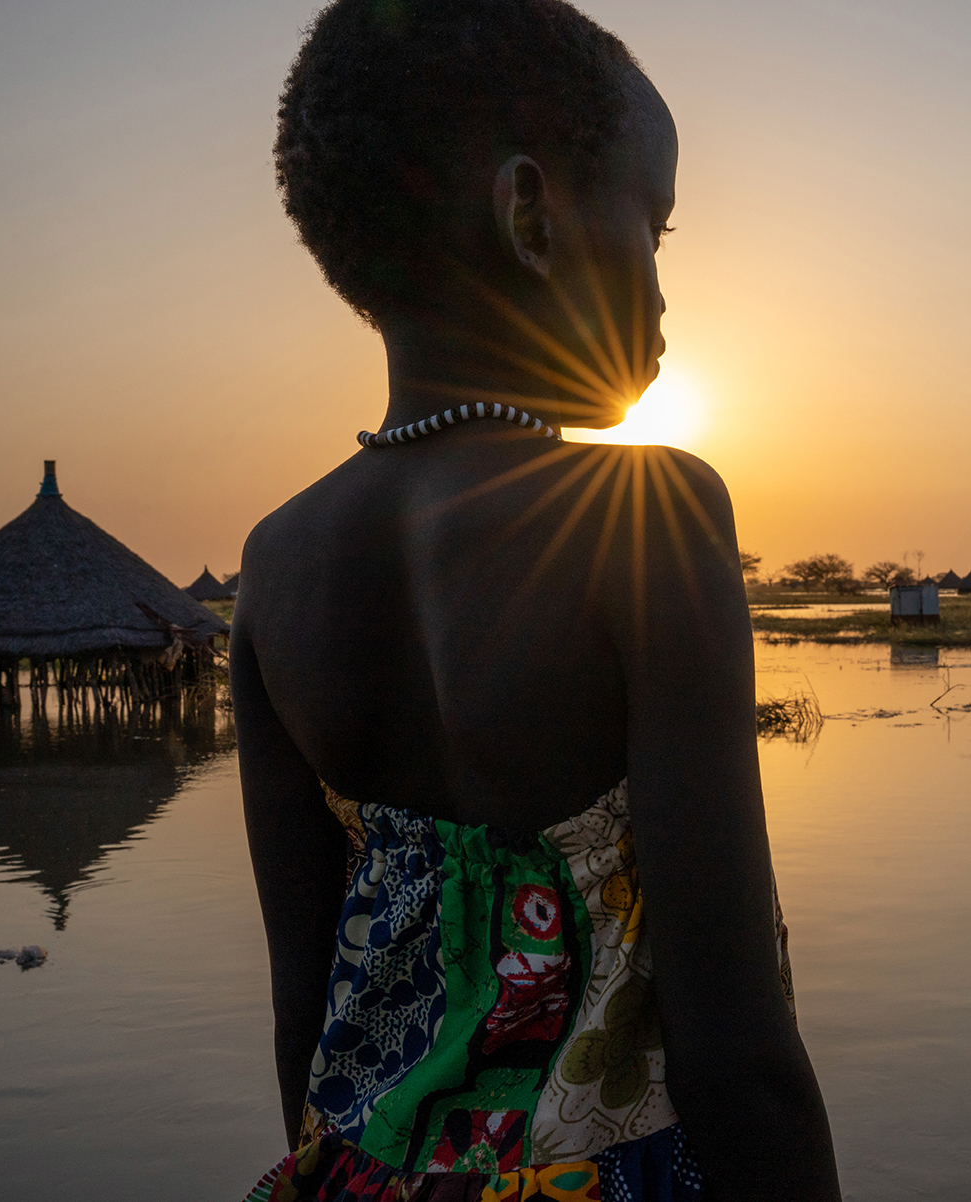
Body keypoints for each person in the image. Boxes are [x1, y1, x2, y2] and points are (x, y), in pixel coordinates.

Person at [231, 2, 841, 1198]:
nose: (662, 287)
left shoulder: (277, 564)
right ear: (531, 214)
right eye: (653, 227)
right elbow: (737, 1051)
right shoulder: (649, 517)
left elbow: (307, 1035)